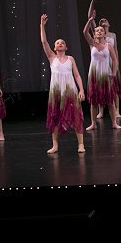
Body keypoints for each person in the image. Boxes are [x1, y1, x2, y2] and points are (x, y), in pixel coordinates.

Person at [40, 14, 86, 153]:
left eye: (62, 43)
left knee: (76, 115)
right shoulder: (52, 58)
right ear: (54, 48)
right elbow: (44, 42)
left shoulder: (70, 59)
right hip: (56, 92)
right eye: (57, 43)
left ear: (66, 47)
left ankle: (81, 144)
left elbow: (77, 75)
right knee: (55, 116)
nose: (60, 44)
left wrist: (81, 90)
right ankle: (55, 145)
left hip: (70, 91)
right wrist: (42, 25)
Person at [83, 14, 121, 130]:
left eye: (101, 30)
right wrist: (90, 20)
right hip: (94, 74)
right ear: (95, 34)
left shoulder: (108, 46)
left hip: (105, 74)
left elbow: (114, 59)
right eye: (97, 30)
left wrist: (114, 73)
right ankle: (93, 123)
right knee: (94, 101)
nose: (99, 31)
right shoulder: (92, 44)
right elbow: (85, 32)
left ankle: (114, 123)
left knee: (110, 100)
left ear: (104, 34)